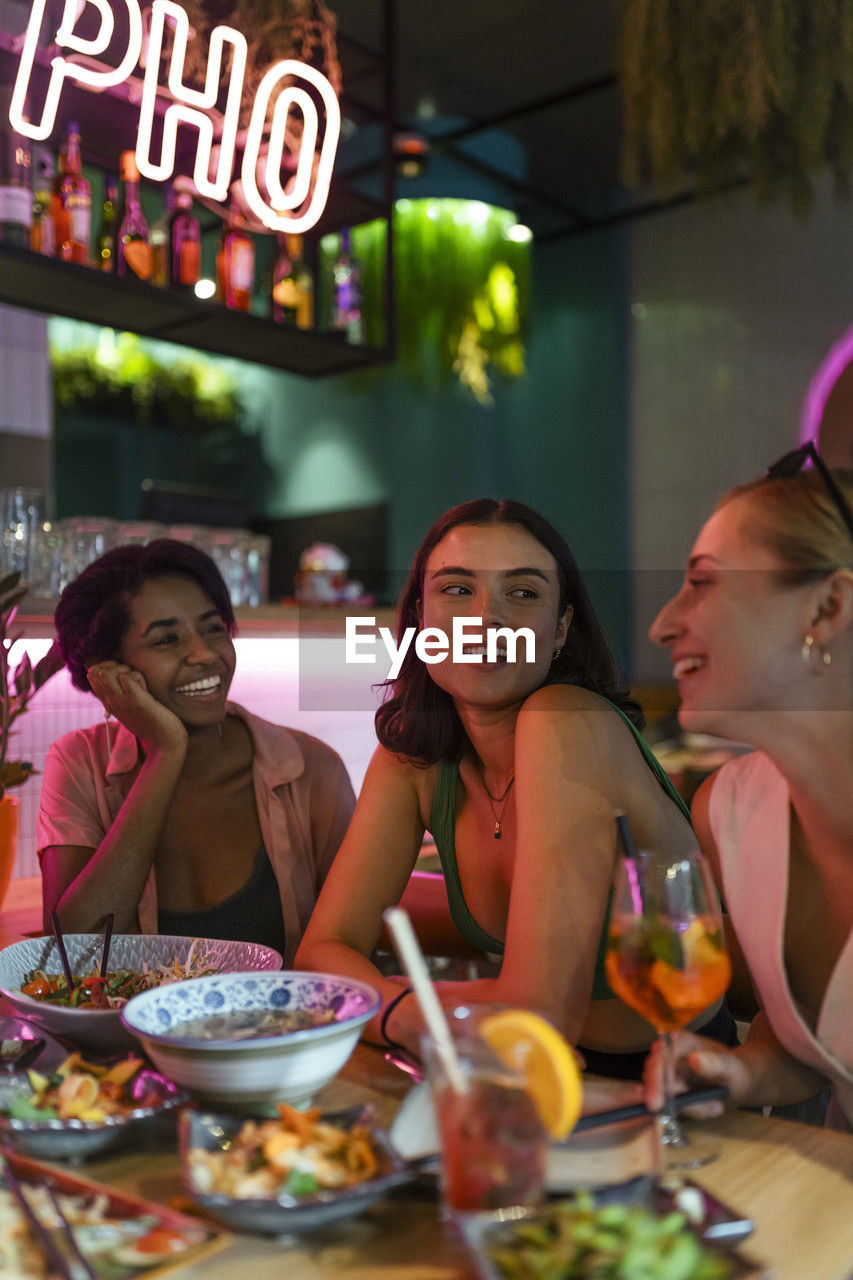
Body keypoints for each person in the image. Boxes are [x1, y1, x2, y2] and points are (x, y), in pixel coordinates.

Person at [296, 498, 738, 1073]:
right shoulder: (414, 758)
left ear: (559, 629)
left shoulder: (568, 721)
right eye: (457, 590)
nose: (487, 618)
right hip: (517, 1067)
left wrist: (390, 1003)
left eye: (523, 593)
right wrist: (404, 1013)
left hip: (670, 1086)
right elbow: (320, 955)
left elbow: (542, 1012)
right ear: (418, 624)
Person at [646, 447, 853, 1129]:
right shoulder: (731, 812)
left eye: (702, 583)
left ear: (827, 605)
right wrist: (743, 1069)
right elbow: (822, 1042)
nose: (661, 625)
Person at [38, 539, 355, 964]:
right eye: (167, 639)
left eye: (212, 628)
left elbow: (354, 940)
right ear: (108, 673)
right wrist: (166, 753)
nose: (206, 654)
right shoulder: (78, 761)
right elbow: (67, 955)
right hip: (131, 1034)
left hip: (284, 1027)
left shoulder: (310, 768)